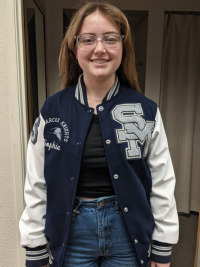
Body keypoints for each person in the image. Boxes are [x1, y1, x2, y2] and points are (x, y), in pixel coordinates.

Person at [19, 1, 179, 267]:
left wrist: (163, 245)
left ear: (122, 46)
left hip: (127, 234)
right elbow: (37, 181)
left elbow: (162, 181)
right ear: (74, 47)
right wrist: (34, 246)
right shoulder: (53, 109)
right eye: (88, 39)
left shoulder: (145, 110)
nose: (100, 48)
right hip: (71, 236)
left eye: (110, 38)